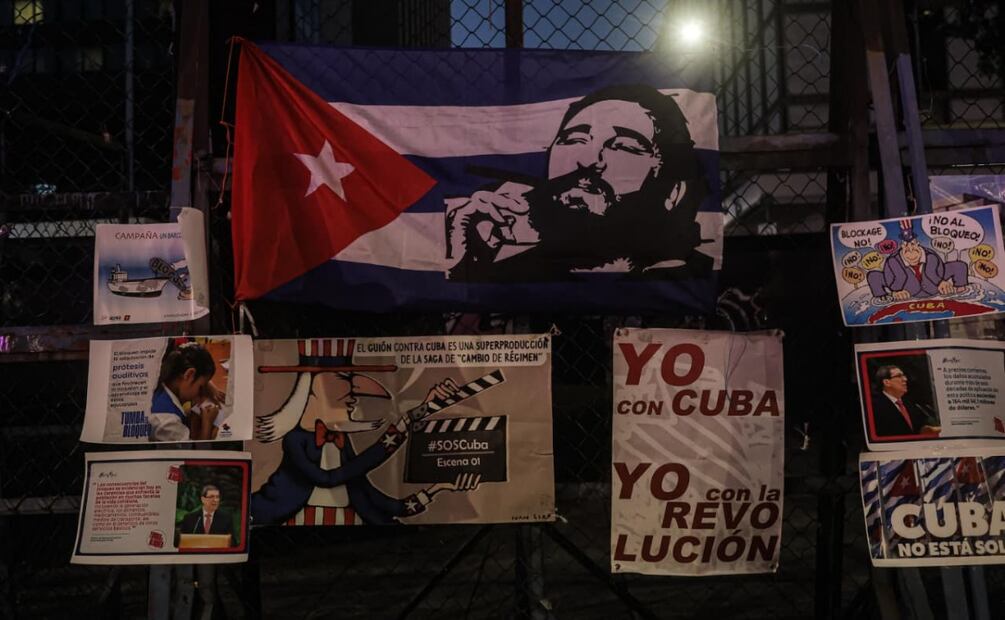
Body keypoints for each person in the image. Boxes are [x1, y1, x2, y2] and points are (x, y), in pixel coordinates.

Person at [446, 84, 711, 282]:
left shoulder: (693, 279)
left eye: (624, 146)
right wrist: (463, 267)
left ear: (673, 192)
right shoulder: (502, 274)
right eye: (574, 140)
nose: (587, 160)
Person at [251, 339, 481, 526]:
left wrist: (436, 488)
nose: (353, 393)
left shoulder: (343, 442)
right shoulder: (295, 440)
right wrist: (393, 436)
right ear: (310, 389)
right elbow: (328, 478)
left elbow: (372, 495)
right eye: (344, 379)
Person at [867, 224, 969, 303]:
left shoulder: (930, 256)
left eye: (913, 245)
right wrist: (896, 291)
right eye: (906, 247)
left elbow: (939, 270)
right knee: (874, 276)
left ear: (917, 244)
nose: (911, 251)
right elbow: (886, 279)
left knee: (959, 266)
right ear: (902, 246)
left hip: (933, 288)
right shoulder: (893, 262)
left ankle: (961, 289)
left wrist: (942, 282)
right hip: (908, 291)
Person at [149, 341, 223, 441]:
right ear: (189, 375)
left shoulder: (163, 376)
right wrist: (207, 422)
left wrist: (208, 385)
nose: (200, 394)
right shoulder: (168, 423)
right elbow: (195, 453)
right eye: (200, 387)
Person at [870, 365, 941, 438]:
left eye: (904, 375)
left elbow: (918, 429)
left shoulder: (908, 403)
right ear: (886, 382)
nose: (905, 379)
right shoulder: (874, 407)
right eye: (899, 376)